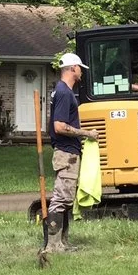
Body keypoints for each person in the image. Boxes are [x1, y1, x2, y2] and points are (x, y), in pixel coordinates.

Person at [46, 52, 99, 252]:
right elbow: (59, 126)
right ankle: (53, 245)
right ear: (72, 68)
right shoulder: (64, 92)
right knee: (61, 198)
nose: (81, 73)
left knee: (67, 198)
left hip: (69, 151)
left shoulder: (63, 91)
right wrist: (86, 133)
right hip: (66, 153)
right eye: (80, 69)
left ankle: (63, 242)